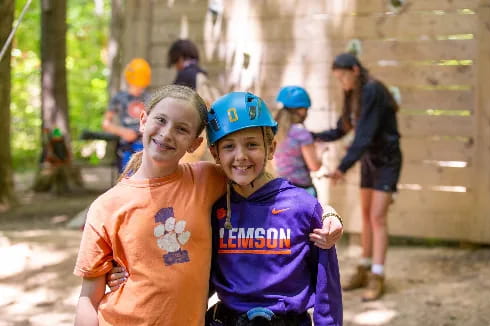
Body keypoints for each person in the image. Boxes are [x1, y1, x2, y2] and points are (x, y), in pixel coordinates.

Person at [75, 85, 342, 325]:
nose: (240, 157)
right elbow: (90, 297)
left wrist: (328, 214)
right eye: (161, 120)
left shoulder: (207, 182)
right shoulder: (107, 206)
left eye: (182, 128)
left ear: (196, 143)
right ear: (143, 120)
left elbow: (284, 199)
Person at [205, 92, 343, 325]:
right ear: (215, 154)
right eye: (229, 146)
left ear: (270, 148)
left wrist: (327, 211)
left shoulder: (304, 208)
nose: (241, 156)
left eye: (252, 144)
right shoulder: (213, 209)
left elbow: (326, 287)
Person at [313, 53, 402, 301]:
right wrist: (314, 136)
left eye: (343, 76)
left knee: (377, 217)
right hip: (369, 161)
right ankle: (364, 268)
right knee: (365, 214)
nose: (342, 82)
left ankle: (378, 274)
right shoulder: (353, 94)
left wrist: (342, 168)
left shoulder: (373, 91)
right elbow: (343, 128)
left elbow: (363, 136)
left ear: (354, 69)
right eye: (338, 78)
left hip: (387, 161)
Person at [168, 38, 220, 162]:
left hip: (191, 131)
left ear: (179, 58)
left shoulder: (185, 75)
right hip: (208, 130)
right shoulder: (202, 74)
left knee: (183, 166)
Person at [102, 58, 151, 172]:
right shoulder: (119, 98)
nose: (138, 88)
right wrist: (123, 132)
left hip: (146, 146)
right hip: (127, 147)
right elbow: (106, 123)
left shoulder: (150, 98)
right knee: (127, 178)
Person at [273, 86, 322, 197]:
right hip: (303, 191)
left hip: (281, 191)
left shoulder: (274, 132)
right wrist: (321, 151)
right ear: (301, 110)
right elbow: (314, 166)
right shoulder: (301, 133)